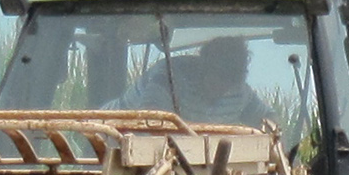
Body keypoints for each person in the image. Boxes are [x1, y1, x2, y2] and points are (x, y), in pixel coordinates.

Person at [109, 36, 278, 128]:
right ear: (203, 67)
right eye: (218, 77)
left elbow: (269, 120)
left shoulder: (239, 93)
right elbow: (151, 122)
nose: (221, 88)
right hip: (109, 134)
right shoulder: (168, 78)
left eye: (230, 81)